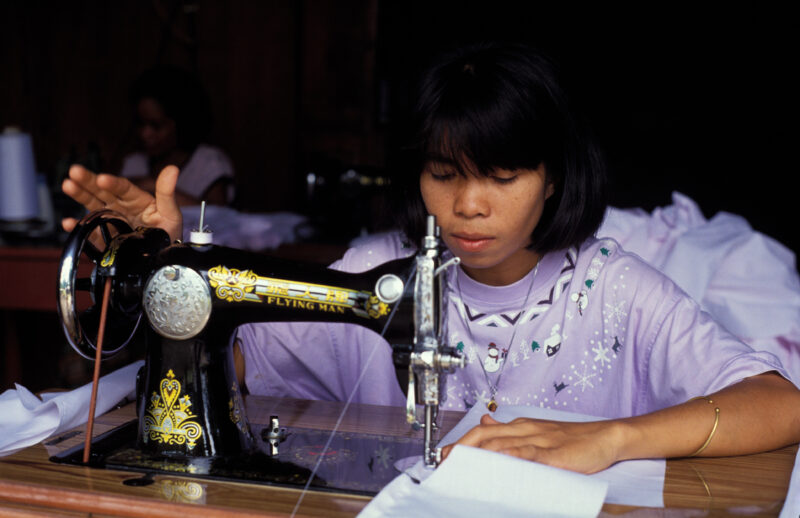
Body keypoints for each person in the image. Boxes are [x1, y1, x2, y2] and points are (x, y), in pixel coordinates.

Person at [61, 43, 800, 475]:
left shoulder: (614, 291)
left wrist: (611, 439)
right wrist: (164, 277)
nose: (468, 206)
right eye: (443, 175)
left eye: (502, 177)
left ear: (553, 179)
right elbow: (231, 364)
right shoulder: (376, 267)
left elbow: (779, 404)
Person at [120, 65, 235, 206]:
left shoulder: (208, 162)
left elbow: (220, 217)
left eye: (156, 126)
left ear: (182, 123)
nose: (145, 134)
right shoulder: (134, 164)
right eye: (140, 124)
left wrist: (153, 186)